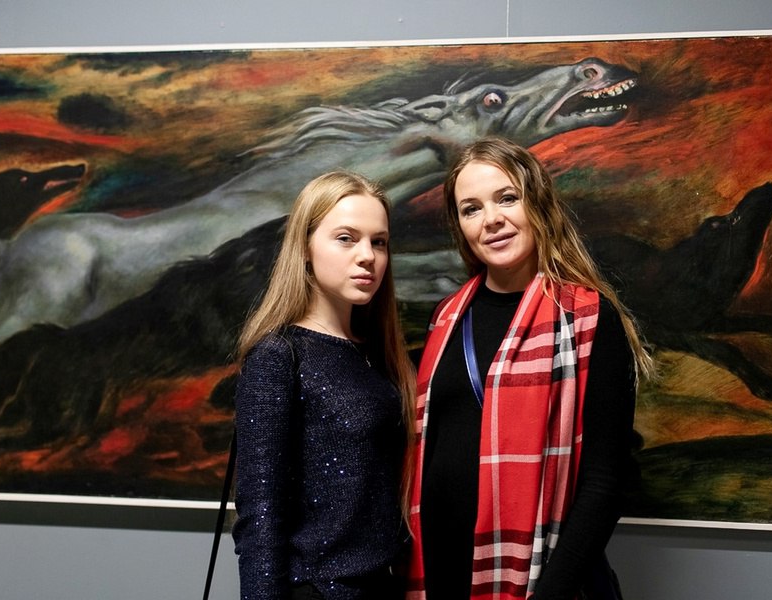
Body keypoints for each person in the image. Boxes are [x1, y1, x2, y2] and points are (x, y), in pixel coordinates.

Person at [406, 138, 654, 600]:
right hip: (442, 575)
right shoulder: (444, 319)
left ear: (537, 203)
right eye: (471, 209)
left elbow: (606, 481)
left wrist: (551, 594)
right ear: (461, 226)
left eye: (507, 198)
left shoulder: (587, 317)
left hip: (538, 581)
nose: (491, 219)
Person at [232, 171, 415, 600]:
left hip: (387, 587)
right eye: (346, 238)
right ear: (305, 248)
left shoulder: (378, 353)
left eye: (379, 242)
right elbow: (260, 515)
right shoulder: (279, 355)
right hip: (321, 590)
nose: (367, 256)